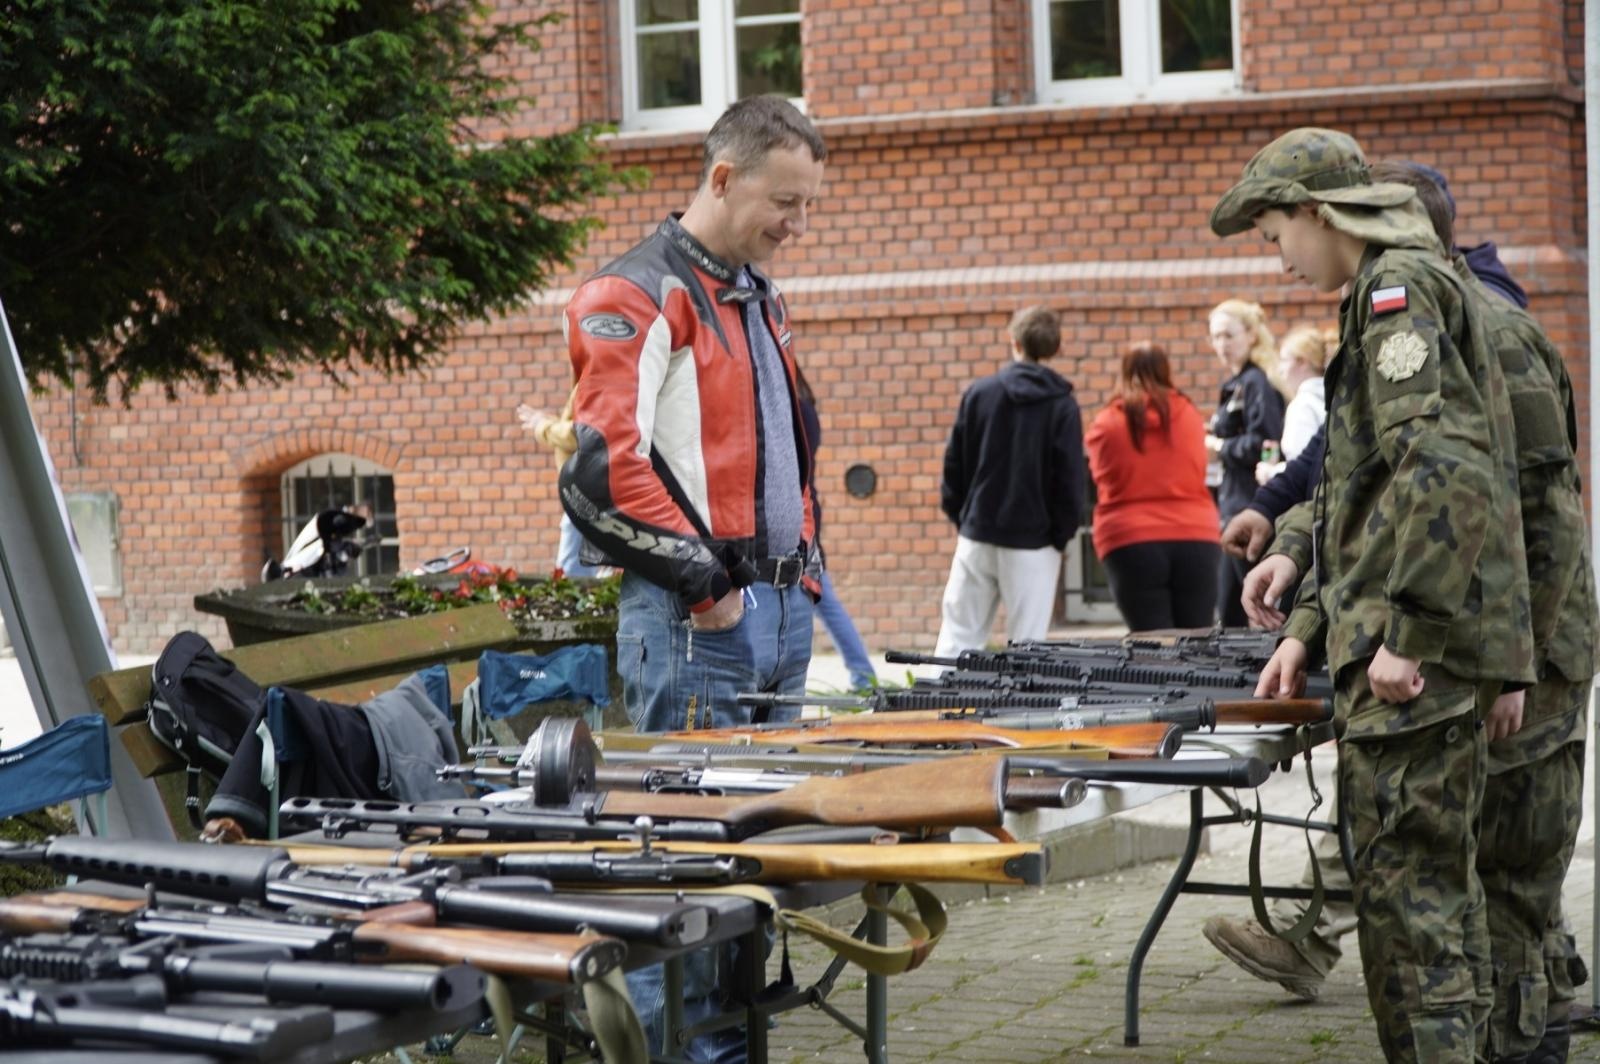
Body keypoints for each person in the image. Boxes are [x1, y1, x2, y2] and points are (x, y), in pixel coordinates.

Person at [1213, 160, 1595, 1064]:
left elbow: (1524, 510)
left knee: (1498, 905)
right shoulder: (1404, 317)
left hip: (1497, 659)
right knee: (1457, 905)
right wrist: (1301, 590)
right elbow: (1359, 488)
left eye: (1280, 238)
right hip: (1466, 650)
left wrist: (1516, 666)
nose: (1283, 265)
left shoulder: (1474, 326)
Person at [559, 94, 826, 1063]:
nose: (794, 227)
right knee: (679, 863)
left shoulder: (757, 288)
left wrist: (801, 575)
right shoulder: (630, 291)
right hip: (693, 618)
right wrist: (708, 586)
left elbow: (787, 441)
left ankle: (728, 1049)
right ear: (722, 177)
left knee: (751, 850)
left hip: (775, 608)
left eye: (806, 207)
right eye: (782, 203)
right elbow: (601, 467)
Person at [932, 306, 1084, 656]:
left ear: (1013, 341)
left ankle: (938, 708)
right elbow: (1070, 482)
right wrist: (1059, 537)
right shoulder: (1062, 406)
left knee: (956, 639)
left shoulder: (980, 394)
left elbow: (954, 466)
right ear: (1056, 349)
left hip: (978, 534)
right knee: (1027, 648)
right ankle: (1016, 711)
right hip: (1034, 544)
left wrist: (964, 517)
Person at [1082, 342, 1220, 631]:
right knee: (1197, 639)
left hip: (1131, 538)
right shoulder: (1189, 415)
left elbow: (1100, 475)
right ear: (1165, 370)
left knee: (1150, 644)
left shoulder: (1107, 422)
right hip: (1195, 533)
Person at [794, 365, 877, 690]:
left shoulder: (795, 406)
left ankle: (863, 675)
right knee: (824, 598)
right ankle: (862, 674)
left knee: (824, 599)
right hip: (807, 508)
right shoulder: (806, 403)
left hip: (801, 516)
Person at [1204, 299, 1284, 626]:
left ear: (1251, 335)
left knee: (1258, 607)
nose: (1222, 345)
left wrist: (1219, 445)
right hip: (1231, 503)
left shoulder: (1257, 382)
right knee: (1229, 610)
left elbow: (1266, 441)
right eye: (1216, 337)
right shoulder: (1237, 383)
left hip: (1249, 507)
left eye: (1229, 335)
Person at [516, 387, 600, 578]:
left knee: (572, 578)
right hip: (583, 493)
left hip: (587, 494)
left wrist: (544, 426)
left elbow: (585, 432)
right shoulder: (591, 370)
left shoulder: (601, 371)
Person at [1254, 324, 1332, 484]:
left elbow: (1304, 468)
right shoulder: (1333, 398)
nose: (1280, 369)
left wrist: (1270, 472)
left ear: (1302, 362)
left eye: (1283, 360)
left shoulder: (1302, 406)